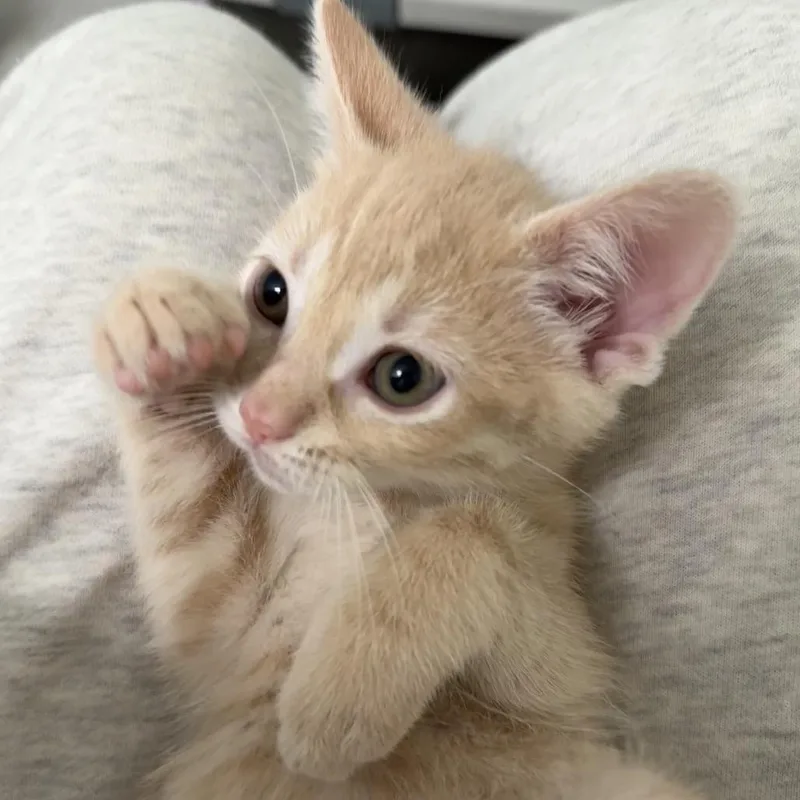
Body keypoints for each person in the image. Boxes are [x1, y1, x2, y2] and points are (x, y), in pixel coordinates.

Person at [0, 2, 797, 799]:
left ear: (596, 334)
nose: (264, 417)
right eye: (275, 296)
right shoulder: (283, 476)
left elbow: (550, 700)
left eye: (401, 377)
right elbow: (203, 627)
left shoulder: (517, 519)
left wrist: (466, 565)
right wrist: (159, 378)